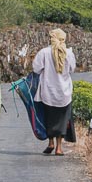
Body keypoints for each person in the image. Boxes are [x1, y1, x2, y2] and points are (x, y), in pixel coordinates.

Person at [32, 28, 77, 156]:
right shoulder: (68, 53)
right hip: (64, 92)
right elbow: (72, 69)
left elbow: (36, 68)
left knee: (49, 118)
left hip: (48, 91)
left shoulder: (44, 52)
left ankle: (50, 142)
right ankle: (59, 147)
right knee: (62, 119)